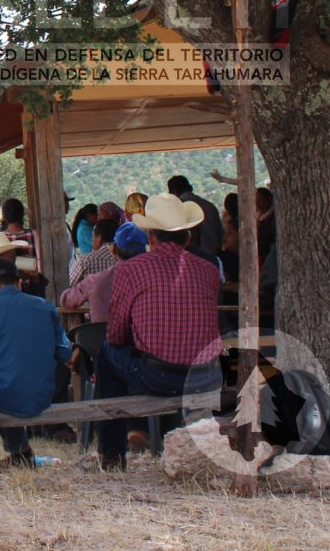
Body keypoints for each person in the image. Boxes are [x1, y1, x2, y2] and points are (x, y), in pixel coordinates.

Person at [91, 193, 222, 471]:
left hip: (157, 375)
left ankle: (112, 452)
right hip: (203, 375)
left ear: (150, 237)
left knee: (107, 351)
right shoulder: (209, 270)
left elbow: (116, 335)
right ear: (187, 237)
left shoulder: (132, 270)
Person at [0, 258, 72, 468]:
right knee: (6, 380)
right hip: (44, 394)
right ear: (19, 282)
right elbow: (65, 353)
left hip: (5, 395)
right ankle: (20, 453)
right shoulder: (45, 307)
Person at [60, 222, 148, 323]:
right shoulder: (152, 280)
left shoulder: (95, 281)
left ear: (114, 249)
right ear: (144, 252)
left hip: (102, 336)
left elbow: (66, 300)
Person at [167, 175, 223, 258]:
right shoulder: (210, 206)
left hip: (190, 259)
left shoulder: (178, 207)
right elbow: (220, 235)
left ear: (174, 192)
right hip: (214, 257)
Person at [68, 218, 118, 286]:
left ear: (99, 239)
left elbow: (68, 285)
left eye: (93, 236)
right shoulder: (128, 259)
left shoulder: (85, 261)